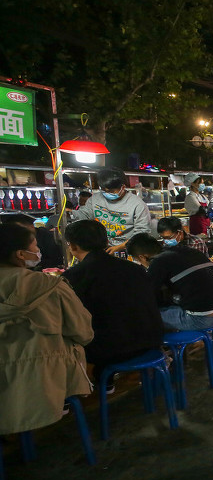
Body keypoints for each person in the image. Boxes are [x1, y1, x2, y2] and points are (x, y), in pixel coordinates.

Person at [0, 223, 94, 434]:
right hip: (46, 385)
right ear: (20, 254)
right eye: (35, 244)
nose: (38, 248)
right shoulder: (51, 287)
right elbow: (83, 333)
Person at [62, 219, 164, 381]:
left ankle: (94, 383)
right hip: (152, 341)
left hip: (112, 351)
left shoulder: (72, 277)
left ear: (73, 246)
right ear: (107, 241)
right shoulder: (135, 268)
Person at [125, 234, 213, 331]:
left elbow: (149, 295)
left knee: (144, 314)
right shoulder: (188, 251)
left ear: (142, 257)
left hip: (203, 319)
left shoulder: (158, 261)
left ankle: (169, 349)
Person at [73, 168, 153, 254]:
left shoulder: (138, 205)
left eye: (111, 191)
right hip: (102, 248)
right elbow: (84, 216)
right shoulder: (95, 199)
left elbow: (142, 234)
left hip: (128, 250)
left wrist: (119, 247)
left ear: (123, 187)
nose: (106, 193)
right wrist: (69, 213)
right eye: (103, 190)